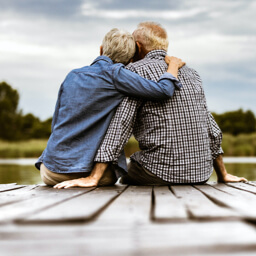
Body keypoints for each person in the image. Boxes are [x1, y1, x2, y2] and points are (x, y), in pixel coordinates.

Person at [54, 22, 247, 189]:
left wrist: (94, 177)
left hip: (158, 173)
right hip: (201, 174)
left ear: (137, 47)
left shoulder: (132, 72)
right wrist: (222, 174)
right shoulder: (192, 74)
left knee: (122, 171)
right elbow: (211, 127)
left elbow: (120, 126)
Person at [35, 28, 184, 186]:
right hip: (85, 172)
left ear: (101, 49)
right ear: (131, 59)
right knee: (120, 175)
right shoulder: (117, 75)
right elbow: (164, 91)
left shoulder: (73, 75)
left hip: (50, 171)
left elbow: (56, 123)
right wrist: (173, 66)